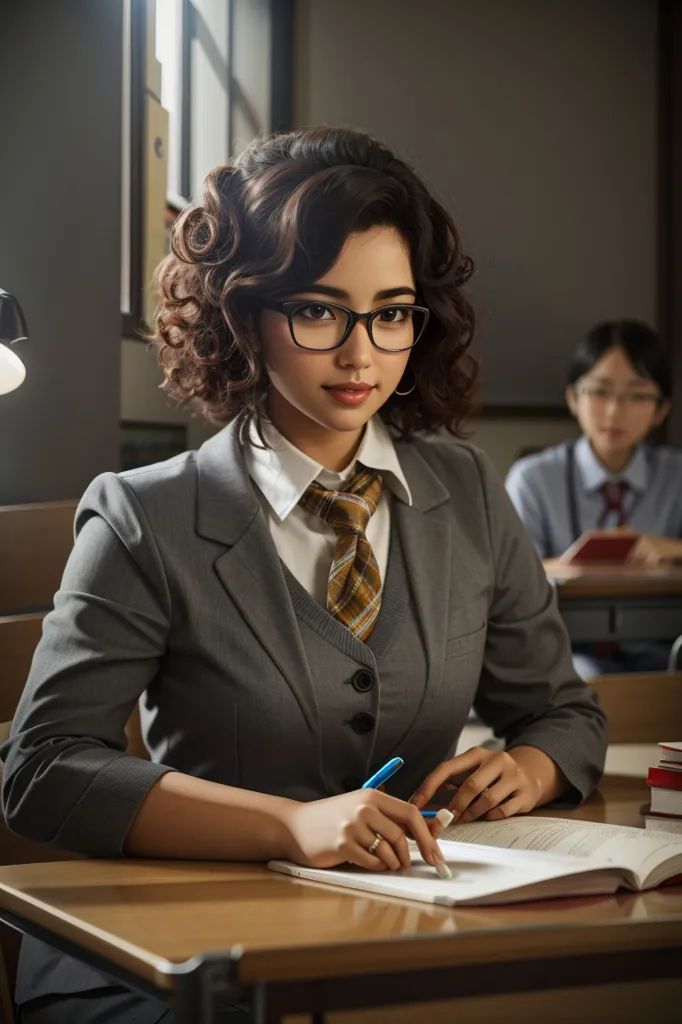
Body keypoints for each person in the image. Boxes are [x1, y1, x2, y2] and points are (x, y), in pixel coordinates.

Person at [2, 127, 606, 1024]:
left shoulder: (471, 491)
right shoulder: (143, 515)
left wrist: (531, 765)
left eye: (392, 313)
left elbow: (566, 713)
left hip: (406, 943)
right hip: (178, 959)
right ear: (243, 316)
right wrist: (289, 826)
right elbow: (43, 770)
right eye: (320, 312)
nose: (362, 355)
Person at [506, 321, 682, 678]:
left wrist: (671, 548)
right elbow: (509, 579)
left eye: (637, 395)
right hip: (566, 650)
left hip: (664, 649)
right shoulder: (533, 478)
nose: (615, 411)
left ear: (662, 409)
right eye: (600, 392)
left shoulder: (676, 475)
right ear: (573, 398)